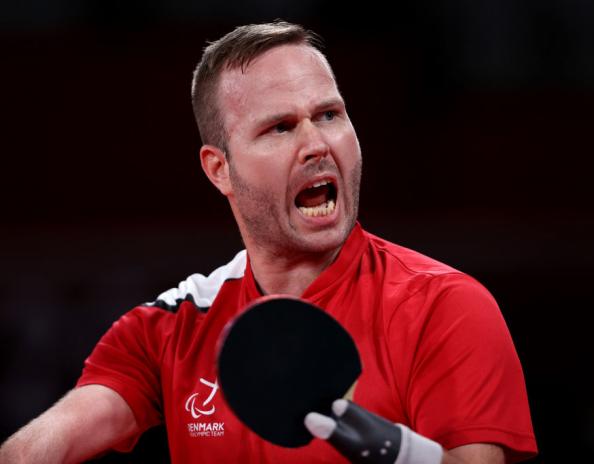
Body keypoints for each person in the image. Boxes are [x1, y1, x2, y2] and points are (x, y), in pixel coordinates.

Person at [0, 21, 537, 464]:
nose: (316, 143)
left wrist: (387, 446)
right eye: (280, 127)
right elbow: (35, 451)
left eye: (329, 115)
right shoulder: (172, 328)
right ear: (220, 169)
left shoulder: (444, 306)